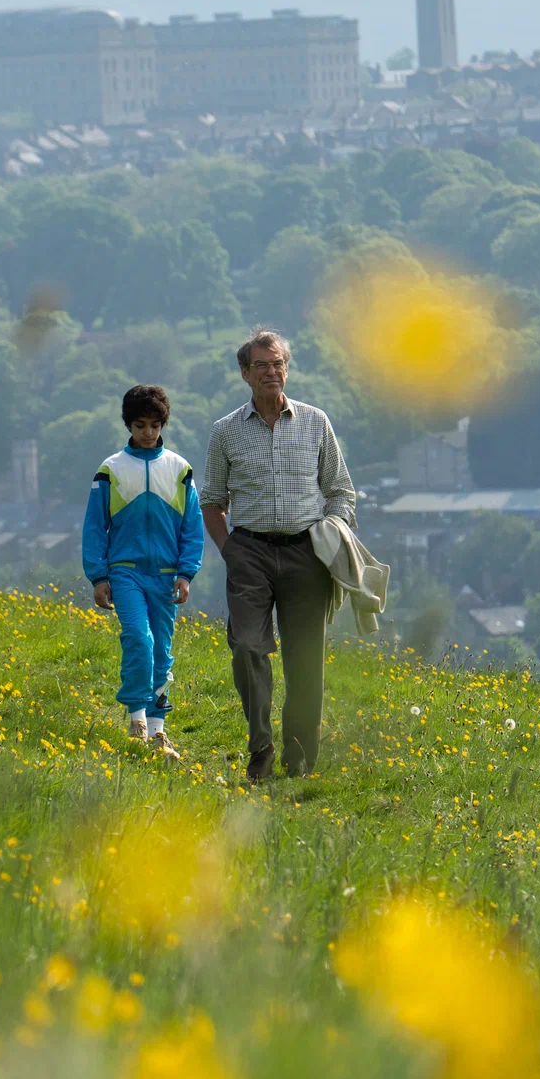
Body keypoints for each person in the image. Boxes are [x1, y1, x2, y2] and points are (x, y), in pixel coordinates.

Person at [201, 328, 356, 783]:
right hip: (247, 551)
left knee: (305, 659)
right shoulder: (225, 432)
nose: (272, 372)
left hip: (307, 554)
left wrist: (335, 534)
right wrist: (230, 552)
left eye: (279, 364)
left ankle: (300, 758)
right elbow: (212, 501)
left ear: (287, 369)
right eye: (262, 365)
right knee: (248, 645)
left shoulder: (315, 422)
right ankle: (261, 745)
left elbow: (340, 490)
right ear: (245, 374)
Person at [81, 384, 204, 760]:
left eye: (154, 425)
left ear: (163, 424)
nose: (147, 433)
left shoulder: (180, 469)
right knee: (138, 637)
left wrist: (186, 573)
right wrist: (98, 577)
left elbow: (192, 527)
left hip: (167, 574)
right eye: (140, 425)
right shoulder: (111, 469)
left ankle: (159, 731)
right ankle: (136, 718)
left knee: (162, 651)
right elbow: (93, 526)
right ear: (128, 425)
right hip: (125, 572)